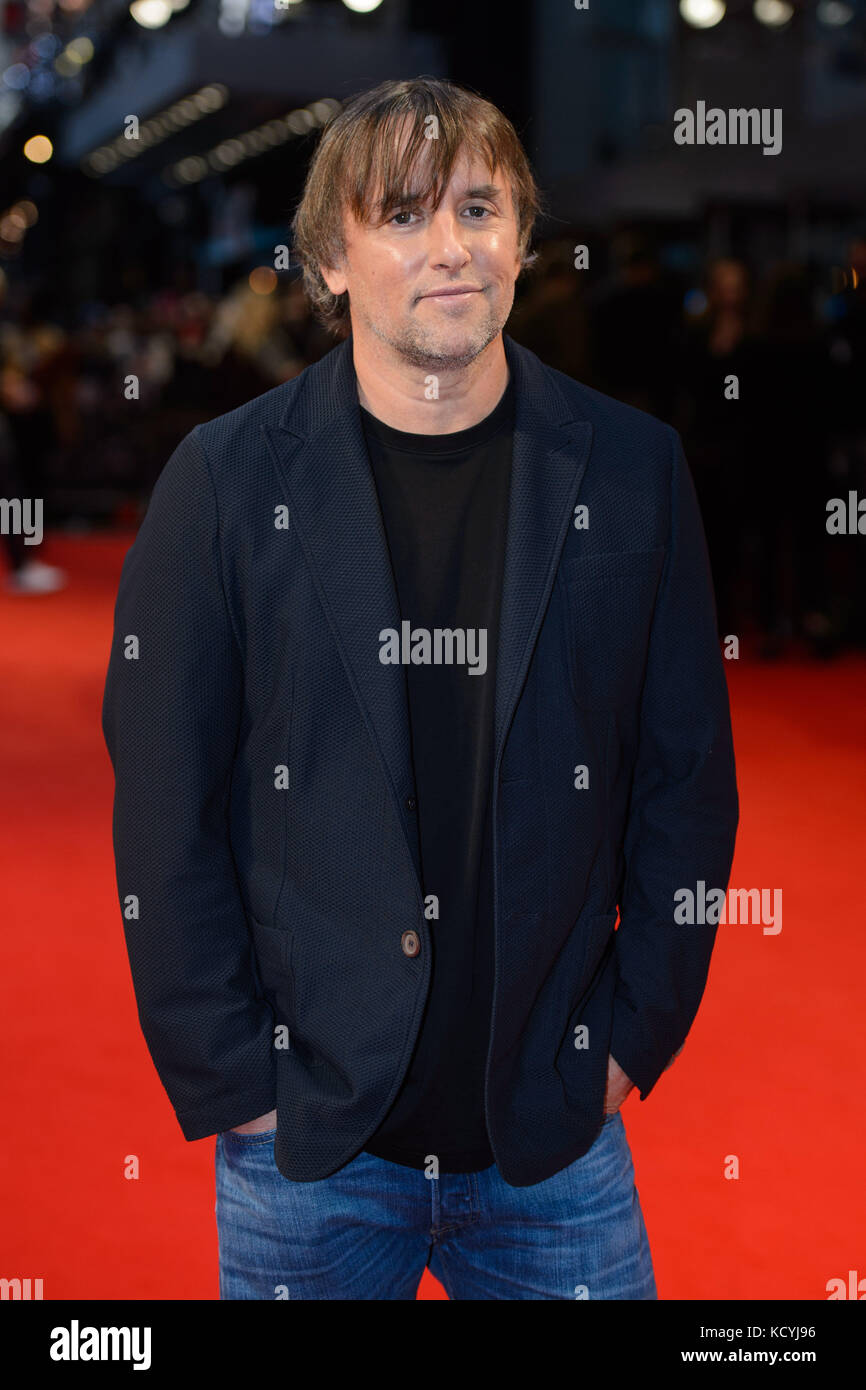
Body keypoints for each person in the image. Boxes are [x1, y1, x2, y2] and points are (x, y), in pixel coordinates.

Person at [102, 76, 739, 1301]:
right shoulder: (226, 482)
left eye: (478, 208)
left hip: (552, 1139)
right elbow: (164, 803)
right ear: (328, 263)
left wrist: (626, 1042)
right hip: (314, 1152)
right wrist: (234, 1080)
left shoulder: (633, 468)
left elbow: (686, 787)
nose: (449, 248)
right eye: (400, 214)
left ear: (519, 240)